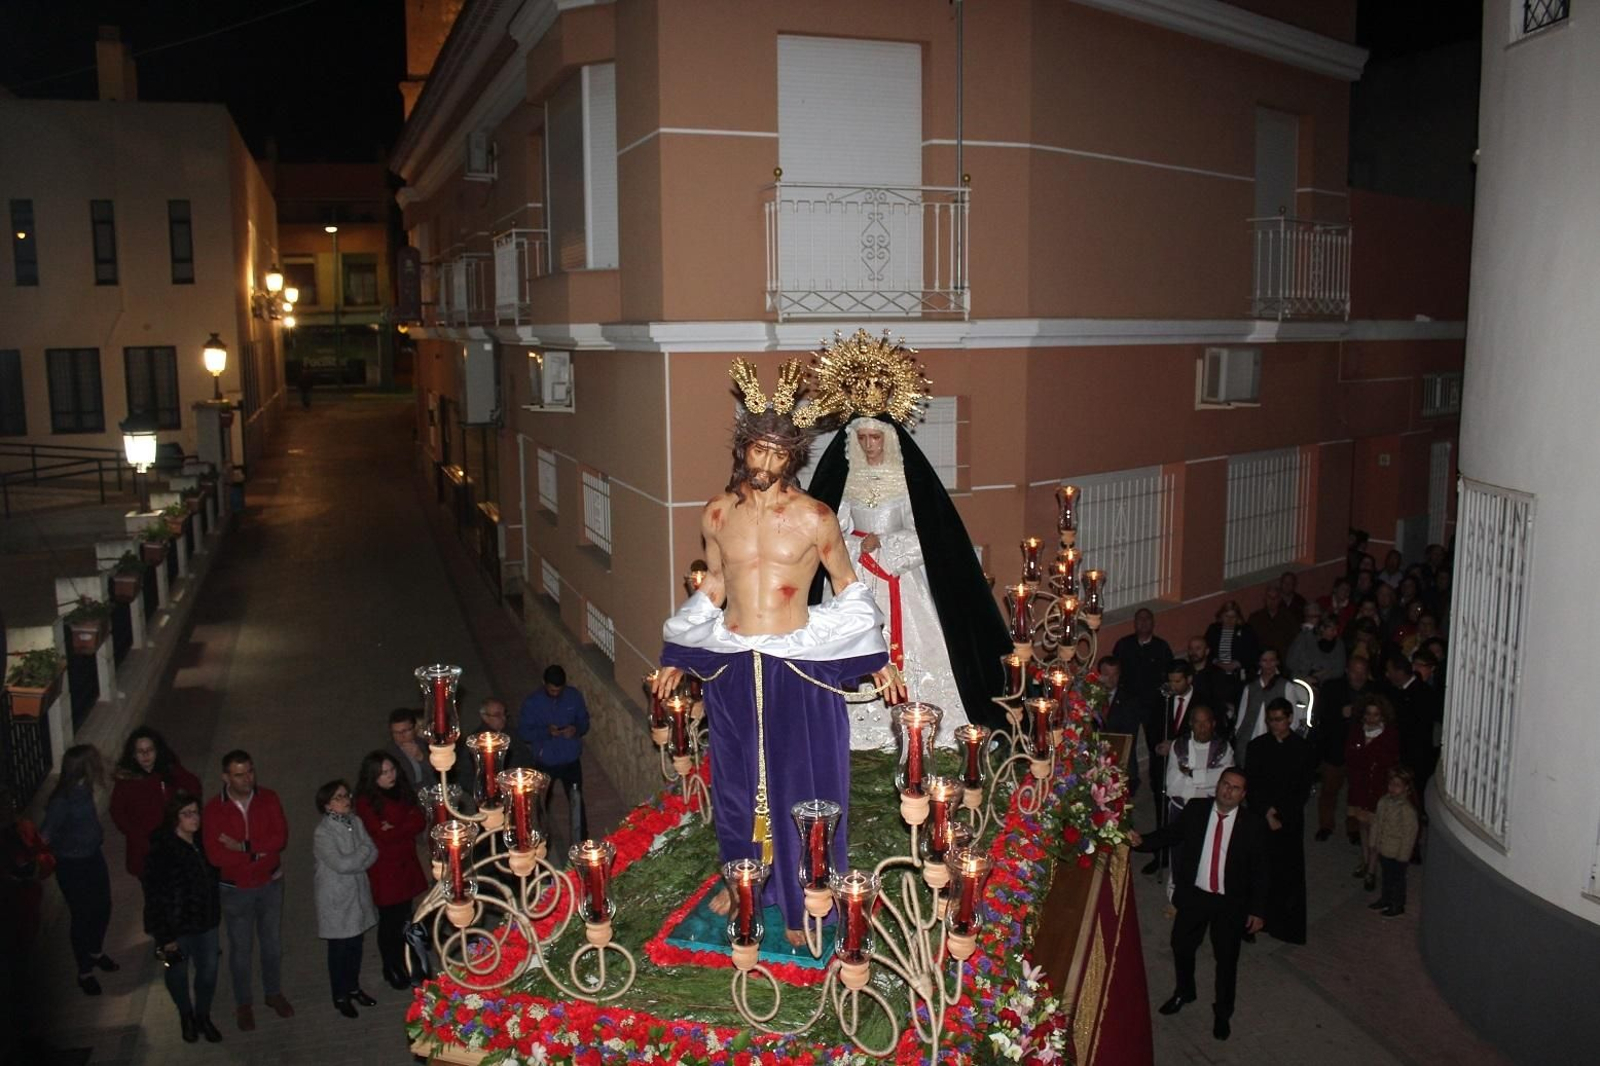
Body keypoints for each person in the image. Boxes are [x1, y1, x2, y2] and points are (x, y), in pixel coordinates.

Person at [655, 354, 898, 941]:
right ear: (744, 449)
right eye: (757, 449)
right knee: (736, 783)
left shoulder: (816, 518)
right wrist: (675, 655)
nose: (765, 462)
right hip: (736, 665)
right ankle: (741, 880)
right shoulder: (716, 513)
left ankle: (803, 896)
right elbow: (713, 585)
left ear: (795, 457)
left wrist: (877, 660)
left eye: (778, 453)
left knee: (804, 784)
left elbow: (847, 587)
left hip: (797, 665)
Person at [806, 413, 1009, 743]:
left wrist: (885, 545)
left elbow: (927, 532)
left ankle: (916, 716)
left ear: (888, 439)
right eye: (863, 439)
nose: (869, 445)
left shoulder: (905, 483)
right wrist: (858, 546)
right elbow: (831, 530)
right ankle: (853, 729)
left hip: (899, 578)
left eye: (875, 438)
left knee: (922, 644)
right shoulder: (848, 484)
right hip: (853, 578)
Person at [1130, 769, 1268, 1042]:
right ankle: (1185, 991)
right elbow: (1171, 834)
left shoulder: (1252, 824)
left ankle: (1223, 1012)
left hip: (1230, 903)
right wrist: (1143, 841)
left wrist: (1258, 910)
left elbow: (1261, 870)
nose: (1228, 791)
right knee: (1181, 946)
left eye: (1236, 788)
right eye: (1225, 785)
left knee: (1227, 961)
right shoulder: (1196, 809)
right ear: (1218, 786)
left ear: (1243, 795)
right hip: (1195, 896)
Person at [203, 750, 293, 1030]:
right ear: (226, 777)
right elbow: (217, 857)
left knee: (272, 944)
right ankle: (243, 1003)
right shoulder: (214, 810)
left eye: (250, 772)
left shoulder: (269, 798)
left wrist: (243, 848)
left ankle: (272, 992)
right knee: (240, 949)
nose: (247, 779)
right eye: (239, 774)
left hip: (270, 883)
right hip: (235, 890)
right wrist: (258, 851)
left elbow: (278, 840)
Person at [141, 791, 223, 1043]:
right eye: (187, 814)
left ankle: (202, 1015)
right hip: (177, 929)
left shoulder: (202, 842)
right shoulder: (163, 852)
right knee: (177, 974)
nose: (194, 818)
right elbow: (155, 897)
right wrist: (165, 937)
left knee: (208, 973)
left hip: (206, 923)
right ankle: (186, 1015)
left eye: (196, 812)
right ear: (175, 819)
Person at [40, 744, 118, 995]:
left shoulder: (83, 789)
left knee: (103, 906)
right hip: (73, 866)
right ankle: (84, 971)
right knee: (82, 915)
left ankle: (95, 951)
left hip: (92, 857)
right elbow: (46, 835)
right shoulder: (62, 801)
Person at [353, 752, 428, 990]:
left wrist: (396, 826)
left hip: (405, 863)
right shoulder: (366, 801)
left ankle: (408, 961)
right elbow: (382, 834)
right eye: (383, 773)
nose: (390, 776)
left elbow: (419, 821)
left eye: (391, 770)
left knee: (406, 916)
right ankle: (391, 965)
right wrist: (402, 825)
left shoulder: (402, 791)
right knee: (389, 921)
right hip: (386, 870)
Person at [1245, 698, 1316, 944]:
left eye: (1279, 720)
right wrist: (1266, 812)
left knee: (1286, 872)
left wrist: (1280, 814)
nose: (1275, 725)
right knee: (1257, 869)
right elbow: (1252, 786)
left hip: (1289, 820)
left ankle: (1283, 925)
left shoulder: (1303, 749)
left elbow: (1302, 789)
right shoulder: (1256, 747)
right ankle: (1252, 923)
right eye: (1271, 720)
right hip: (1261, 818)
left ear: (1289, 719)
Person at [312, 780, 378, 1018]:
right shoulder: (323, 833)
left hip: (356, 894)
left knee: (356, 946)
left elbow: (373, 851)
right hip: (336, 900)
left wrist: (359, 856)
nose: (345, 800)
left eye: (345, 795)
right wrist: (361, 854)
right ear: (328, 805)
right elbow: (342, 863)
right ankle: (340, 994)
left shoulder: (355, 822)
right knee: (340, 949)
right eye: (338, 797)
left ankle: (353, 986)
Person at [110, 727, 202, 883]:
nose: (146, 755)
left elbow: (193, 786)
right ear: (133, 755)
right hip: (146, 846)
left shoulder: (168, 770)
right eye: (140, 751)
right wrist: (137, 836)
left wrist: (185, 812)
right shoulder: (126, 783)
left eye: (150, 750)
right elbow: (118, 812)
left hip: (172, 840)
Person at [517, 665, 591, 851]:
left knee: (576, 800)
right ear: (544, 684)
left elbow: (584, 722)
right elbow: (525, 732)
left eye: (559, 690)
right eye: (552, 690)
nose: (555, 693)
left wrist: (575, 729)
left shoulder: (573, 696)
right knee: (539, 803)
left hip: (570, 759)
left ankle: (580, 843)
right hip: (545, 761)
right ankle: (538, 841)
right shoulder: (533, 703)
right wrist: (546, 732)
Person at [1164, 705, 1231, 901]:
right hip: (1181, 808)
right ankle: (1175, 895)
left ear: (1213, 723)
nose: (1202, 728)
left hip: (1209, 810)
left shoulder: (1223, 748)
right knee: (1178, 853)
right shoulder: (1179, 746)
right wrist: (1206, 780)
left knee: (1207, 854)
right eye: (1197, 722)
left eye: (1206, 722)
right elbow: (1172, 785)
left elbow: (1223, 782)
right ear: (1191, 724)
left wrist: (1192, 774)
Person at [1142, 659, 1198, 876]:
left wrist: (1174, 745)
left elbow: (1201, 734)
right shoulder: (1163, 698)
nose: (1173, 686)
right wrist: (1156, 746)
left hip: (1186, 767)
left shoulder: (1201, 701)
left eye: (1178, 681)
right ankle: (1161, 855)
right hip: (1162, 764)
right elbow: (1152, 725)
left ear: (1189, 679)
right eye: (1171, 681)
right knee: (1161, 809)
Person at [1314, 653, 1374, 843]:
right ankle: (1325, 825)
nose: (1358, 677)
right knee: (1329, 790)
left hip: (1361, 751)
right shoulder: (1332, 688)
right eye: (1355, 672)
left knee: (1357, 792)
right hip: (1335, 748)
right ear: (1347, 671)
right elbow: (1322, 717)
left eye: (1362, 673)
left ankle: (1354, 828)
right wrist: (1340, 713)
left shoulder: (1373, 692)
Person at [1346, 697, 1401, 893]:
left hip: (1377, 790)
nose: (1371, 718)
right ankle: (1365, 860)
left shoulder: (1389, 735)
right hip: (1360, 787)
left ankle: (1371, 869)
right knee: (1363, 826)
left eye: (1376, 714)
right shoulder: (1357, 732)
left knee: (1375, 831)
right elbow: (1351, 757)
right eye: (1368, 714)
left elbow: (1389, 761)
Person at [1112, 608, 1174, 743]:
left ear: (1153, 623)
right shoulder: (1123, 645)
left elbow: (1170, 673)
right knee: (1127, 744)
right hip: (1128, 703)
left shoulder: (1161, 647)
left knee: (1155, 742)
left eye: (1147, 619)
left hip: (1152, 704)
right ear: (1134, 623)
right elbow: (1114, 670)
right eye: (1140, 619)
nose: (1144, 622)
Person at [1371, 768, 1420, 918]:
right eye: (1391, 784)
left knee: (1397, 880)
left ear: (1406, 788)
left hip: (1398, 853)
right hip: (1384, 848)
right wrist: (1373, 842)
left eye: (1397, 785)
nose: (1393, 787)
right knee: (1386, 876)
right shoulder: (1384, 801)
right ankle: (1386, 898)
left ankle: (1397, 904)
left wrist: (1403, 856)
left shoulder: (1406, 809)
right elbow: (1377, 823)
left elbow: (1409, 835)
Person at [1233, 648, 1289, 765]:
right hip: (1251, 736)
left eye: (1272, 660)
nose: (1268, 664)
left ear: (1277, 662)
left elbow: (1293, 718)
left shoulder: (1286, 686)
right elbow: (1242, 716)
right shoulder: (1250, 687)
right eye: (1264, 660)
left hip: (1277, 738)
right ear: (1259, 662)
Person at [1203, 600, 1258, 701]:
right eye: (1227, 616)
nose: (1229, 620)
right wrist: (1217, 662)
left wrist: (1238, 663)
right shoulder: (1214, 629)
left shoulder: (1246, 630)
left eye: (1233, 617)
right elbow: (1206, 650)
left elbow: (1253, 651)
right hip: (1217, 673)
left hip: (1238, 674)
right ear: (1221, 616)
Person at [1288, 612, 1345, 688]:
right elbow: (1290, 662)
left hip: (1325, 685)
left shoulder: (1339, 644)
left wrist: (1320, 676)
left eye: (1336, 629)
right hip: (1300, 681)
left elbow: (1339, 670)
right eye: (1332, 630)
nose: (1335, 633)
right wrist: (1304, 677)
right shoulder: (1304, 638)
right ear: (1322, 628)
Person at [1246, 586, 1299, 666]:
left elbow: (1294, 641)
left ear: (1279, 599)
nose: (1272, 600)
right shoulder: (1255, 618)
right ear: (1265, 599)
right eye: (1269, 597)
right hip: (1260, 662)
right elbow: (1250, 641)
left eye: (1275, 597)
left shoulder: (1289, 618)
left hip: (1283, 661)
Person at [388, 708, 429, 788]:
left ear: (414, 728)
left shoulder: (426, 744)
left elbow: (438, 774)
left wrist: (421, 758)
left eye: (405, 731)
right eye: (396, 733)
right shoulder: (389, 753)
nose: (401, 736)